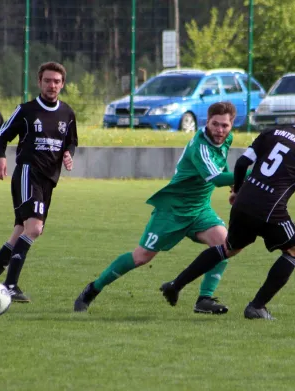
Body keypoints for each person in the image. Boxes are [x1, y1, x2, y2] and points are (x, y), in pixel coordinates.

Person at [160, 100, 295, 320]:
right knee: (294, 250)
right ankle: (257, 306)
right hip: (271, 211)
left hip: (244, 204)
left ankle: (175, 285)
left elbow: (241, 164)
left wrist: (237, 192)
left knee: (228, 248)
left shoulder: (272, 132)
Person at [74, 102, 241, 315]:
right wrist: (250, 174)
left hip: (199, 209)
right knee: (141, 257)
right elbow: (216, 178)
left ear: (232, 124)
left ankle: (204, 299)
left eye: (225, 126)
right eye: (215, 124)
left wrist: (234, 186)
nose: (220, 130)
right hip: (172, 210)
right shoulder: (200, 146)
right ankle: (92, 289)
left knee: (225, 245)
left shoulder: (226, 139)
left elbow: (222, 165)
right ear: (206, 122)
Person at [0, 62, 78, 302]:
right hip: (28, 174)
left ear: (62, 84)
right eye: (48, 80)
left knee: (19, 233)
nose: (52, 85)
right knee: (34, 229)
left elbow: (71, 141)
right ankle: (10, 285)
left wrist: (69, 153)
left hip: (49, 179)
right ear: (39, 82)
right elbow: (2, 135)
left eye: (57, 81)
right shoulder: (26, 110)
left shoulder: (67, 113)